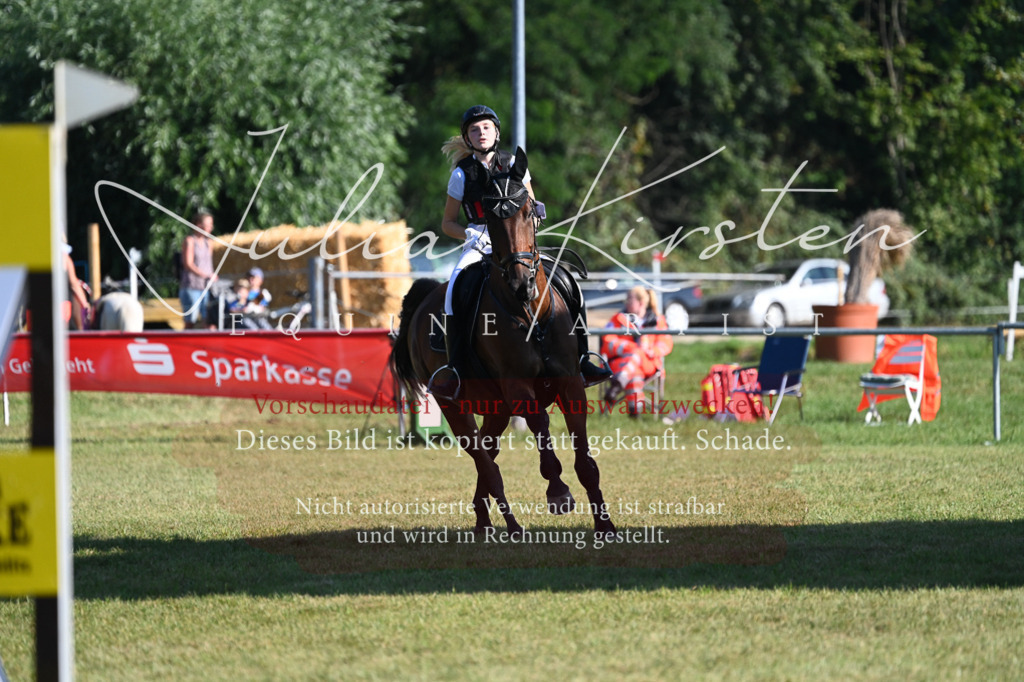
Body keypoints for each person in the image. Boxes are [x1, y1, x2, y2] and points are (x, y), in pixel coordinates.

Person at [427, 104, 612, 402]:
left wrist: (532, 223)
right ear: (468, 137)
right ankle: (455, 371)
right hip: (480, 242)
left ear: (496, 132)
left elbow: (535, 207)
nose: (481, 133)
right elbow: (447, 224)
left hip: (519, 242)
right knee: (453, 293)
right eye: (474, 129)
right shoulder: (462, 174)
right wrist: (470, 234)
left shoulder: (513, 162)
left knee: (566, 281)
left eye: (486, 127)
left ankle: (582, 360)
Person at [601, 286, 673, 417]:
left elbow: (666, 343)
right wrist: (631, 348)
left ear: (641, 302)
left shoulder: (657, 320)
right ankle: (635, 410)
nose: (626, 303)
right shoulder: (618, 319)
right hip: (620, 363)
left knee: (637, 355)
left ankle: (617, 385)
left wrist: (653, 351)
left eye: (629, 300)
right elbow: (607, 340)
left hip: (648, 363)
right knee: (635, 368)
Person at [179, 211, 218, 329]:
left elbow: (208, 264)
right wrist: (205, 275)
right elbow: (188, 264)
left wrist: (212, 275)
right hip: (191, 287)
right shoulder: (190, 241)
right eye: (208, 225)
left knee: (209, 320)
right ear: (198, 225)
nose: (210, 228)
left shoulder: (209, 243)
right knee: (191, 320)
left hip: (206, 288)